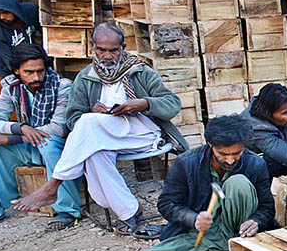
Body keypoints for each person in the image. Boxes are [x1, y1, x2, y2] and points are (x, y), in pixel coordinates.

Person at [11, 23, 187, 238]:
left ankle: (52, 185)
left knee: (89, 124)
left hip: (144, 133)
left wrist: (143, 103)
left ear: (123, 47)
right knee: (93, 149)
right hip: (103, 136)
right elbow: (73, 120)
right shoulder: (86, 78)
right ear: (92, 47)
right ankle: (130, 211)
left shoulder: (140, 71)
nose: (107, 55)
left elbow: (172, 104)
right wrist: (94, 112)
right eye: (101, 50)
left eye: (113, 50)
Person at [140, 114, 276, 251]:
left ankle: (232, 246)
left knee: (238, 182)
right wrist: (193, 219)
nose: (230, 160)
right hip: (203, 233)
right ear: (210, 144)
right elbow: (166, 204)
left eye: (236, 154)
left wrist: (256, 221)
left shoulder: (255, 164)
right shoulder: (186, 163)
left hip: (237, 230)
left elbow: (267, 207)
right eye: (223, 154)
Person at [0, 44, 80, 230]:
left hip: (58, 147)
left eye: (40, 71)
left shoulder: (62, 86)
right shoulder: (11, 87)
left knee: (48, 144)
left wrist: (13, 137)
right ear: (17, 71)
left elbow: (58, 128)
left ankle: (68, 210)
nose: (36, 77)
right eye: (29, 72)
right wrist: (20, 128)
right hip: (30, 144)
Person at [0, 0, 40, 104]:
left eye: (6, 13)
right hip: (6, 72)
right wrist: (27, 75)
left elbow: (44, 31)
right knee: (12, 108)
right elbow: (9, 60)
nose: (2, 17)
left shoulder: (30, 11)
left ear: (14, 9)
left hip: (32, 67)